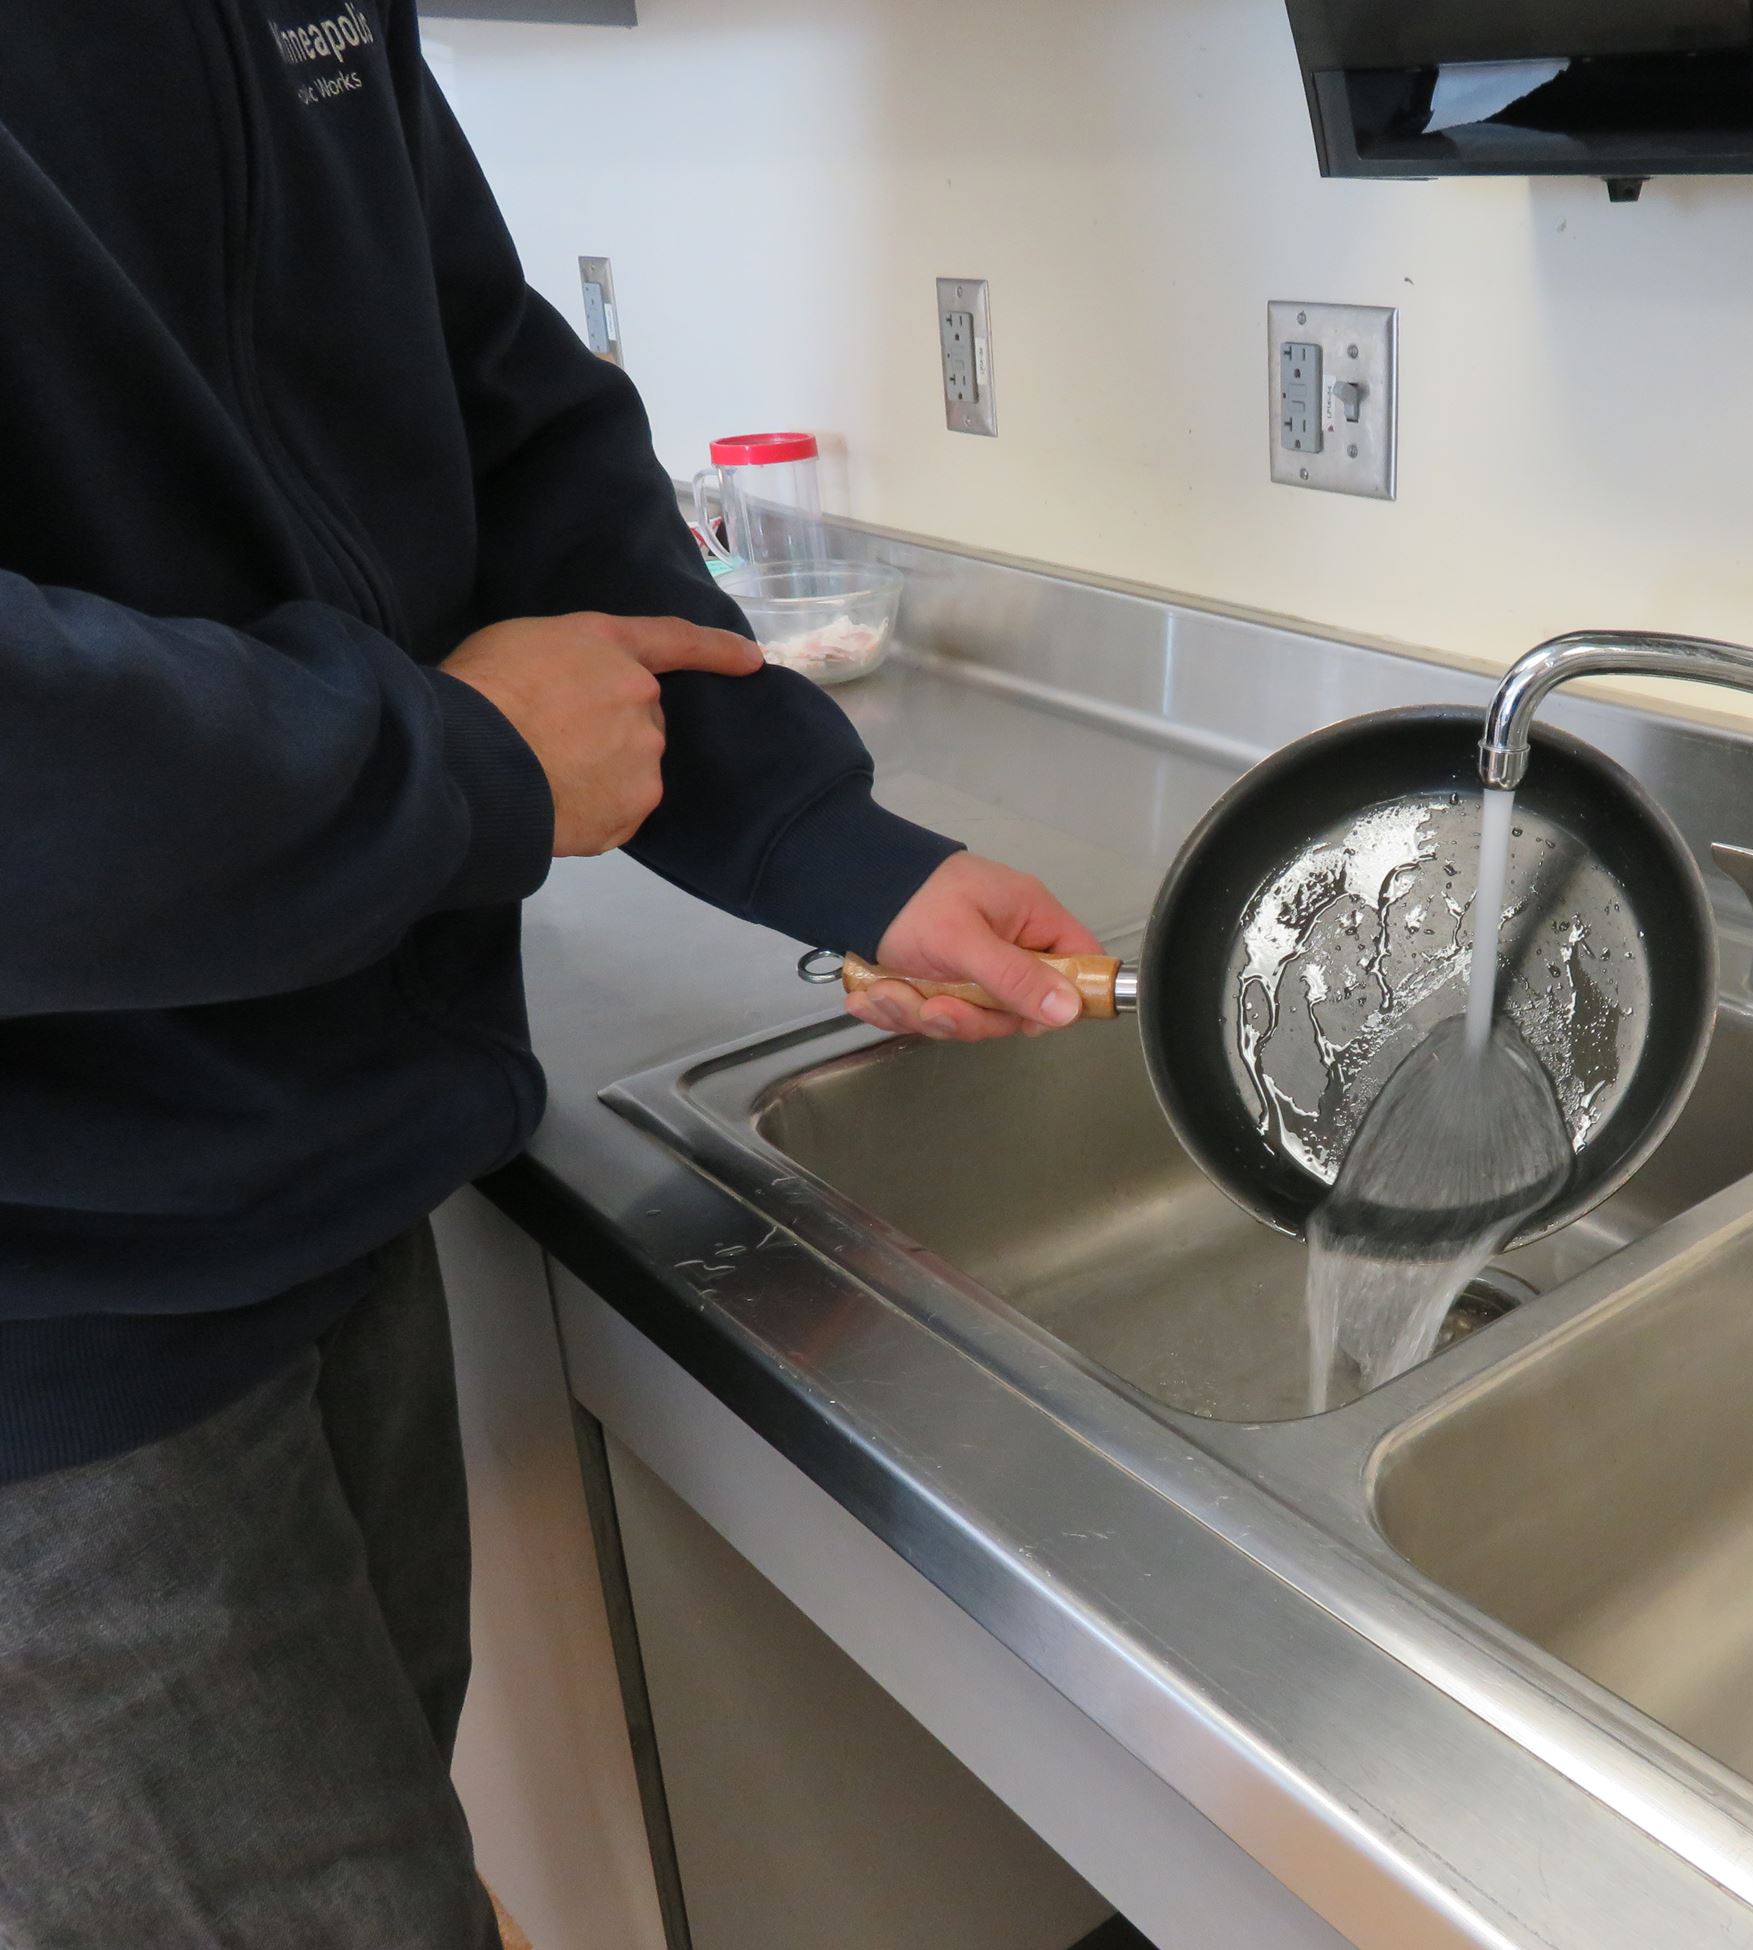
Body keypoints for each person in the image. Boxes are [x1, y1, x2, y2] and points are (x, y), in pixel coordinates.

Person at [0, 5, 1093, 1942]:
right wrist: (451, 768)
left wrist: (830, 853)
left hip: (317, 1174)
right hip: (57, 1334)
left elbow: (491, 393)